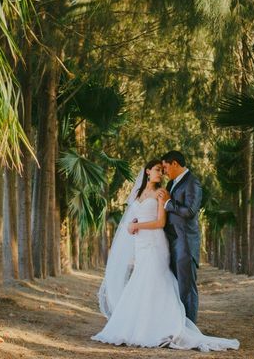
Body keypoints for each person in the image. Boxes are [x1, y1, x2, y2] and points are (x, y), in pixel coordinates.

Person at [92, 159, 239, 351]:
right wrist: (134, 222)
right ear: (147, 172)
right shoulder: (137, 193)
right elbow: (135, 214)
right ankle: (138, 325)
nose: (160, 173)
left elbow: (160, 222)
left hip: (155, 242)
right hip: (141, 243)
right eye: (157, 170)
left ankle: (164, 327)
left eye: (162, 171)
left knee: (156, 280)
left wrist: (138, 226)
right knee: (140, 281)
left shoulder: (161, 193)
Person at [159, 150, 202, 323]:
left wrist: (169, 203)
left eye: (165, 167)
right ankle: (177, 325)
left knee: (186, 289)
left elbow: (190, 211)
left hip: (185, 243)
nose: (164, 171)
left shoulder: (193, 183)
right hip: (171, 242)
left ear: (175, 163)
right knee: (175, 287)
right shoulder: (171, 184)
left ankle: (190, 328)